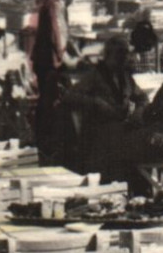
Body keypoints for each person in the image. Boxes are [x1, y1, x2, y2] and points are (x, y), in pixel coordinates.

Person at [63, 35, 149, 184]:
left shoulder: (126, 77)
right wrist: (95, 102)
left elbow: (142, 98)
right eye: (119, 55)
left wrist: (138, 110)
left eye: (125, 55)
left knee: (143, 137)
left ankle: (138, 184)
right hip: (98, 132)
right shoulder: (95, 76)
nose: (123, 59)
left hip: (120, 128)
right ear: (109, 56)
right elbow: (70, 97)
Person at [30, 0, 80, 151]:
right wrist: (63, 56)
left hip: (47, 60)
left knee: (49, 98)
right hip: (48, 62)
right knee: (48, 99)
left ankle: (47, 136)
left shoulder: (54, 4)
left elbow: (65, 34)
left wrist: (75, 53)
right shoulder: (56, 6)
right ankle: (45, 137)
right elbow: (56, 34)